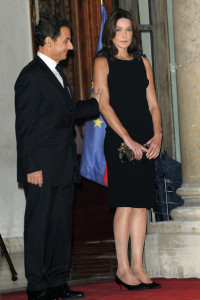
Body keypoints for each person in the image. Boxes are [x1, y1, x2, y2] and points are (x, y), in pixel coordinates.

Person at [15, 16, 100, 300]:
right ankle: (37, 286)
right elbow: (25, 127)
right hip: (41, 168)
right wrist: (32, 167)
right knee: (40, 226)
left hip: (63, 165)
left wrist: (95, 105)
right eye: (66, 40)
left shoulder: (57, 72)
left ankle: (57, 281)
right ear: (48, 42)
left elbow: (64, 113)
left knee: (61, 225)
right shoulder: (30, 76)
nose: (71, 46)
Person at [93, 9, 162, 291]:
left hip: (146, 140)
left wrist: (158, 133)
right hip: (120, 141)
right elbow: (104, 105)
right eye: (119, 30)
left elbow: (154, 103)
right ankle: (122, 268)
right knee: (125, 202)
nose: (124, 35)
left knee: (141, 204)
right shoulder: (103, 60)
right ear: (111, 32)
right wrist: (127, 139)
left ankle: (138, 266)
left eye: (129, 30)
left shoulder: (142, 61)